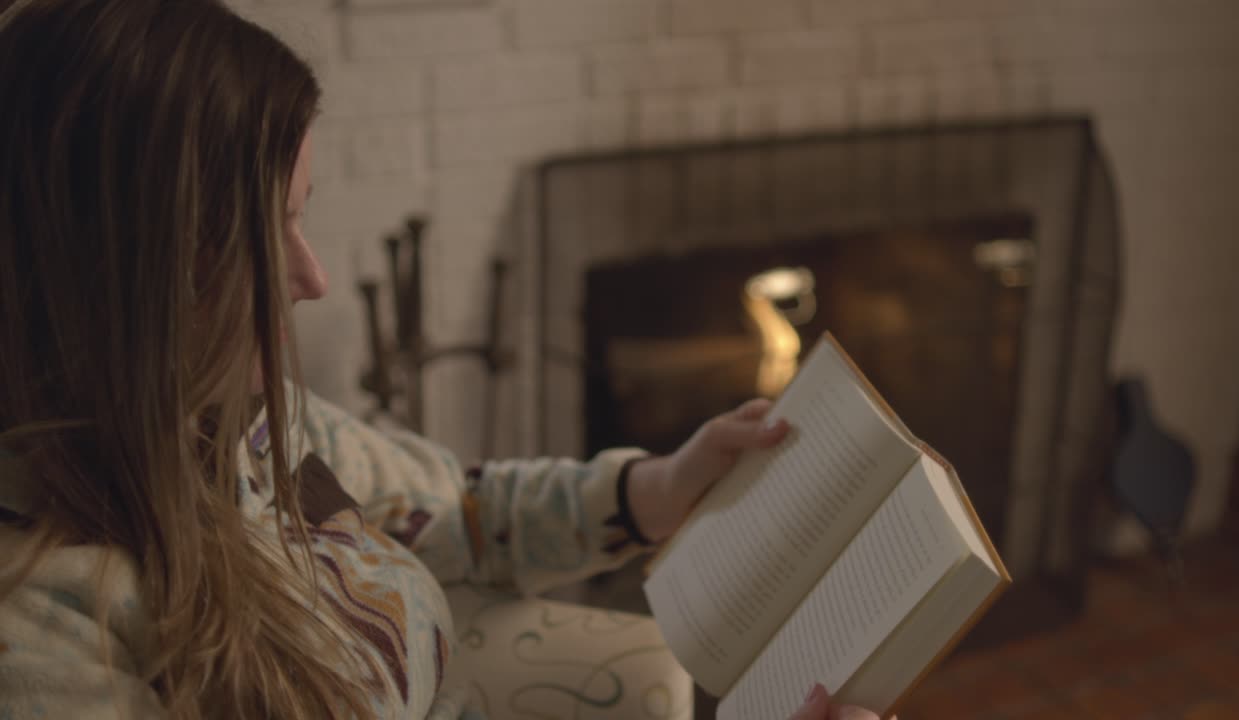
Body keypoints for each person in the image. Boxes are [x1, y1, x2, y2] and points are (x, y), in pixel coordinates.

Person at [0, 1, 883, 718]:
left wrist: (658, 487)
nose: (313, 278)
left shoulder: (244, 425)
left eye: (304, 215)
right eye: (272, 232)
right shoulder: (43, 631)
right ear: (132, 274)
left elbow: (454, 509)